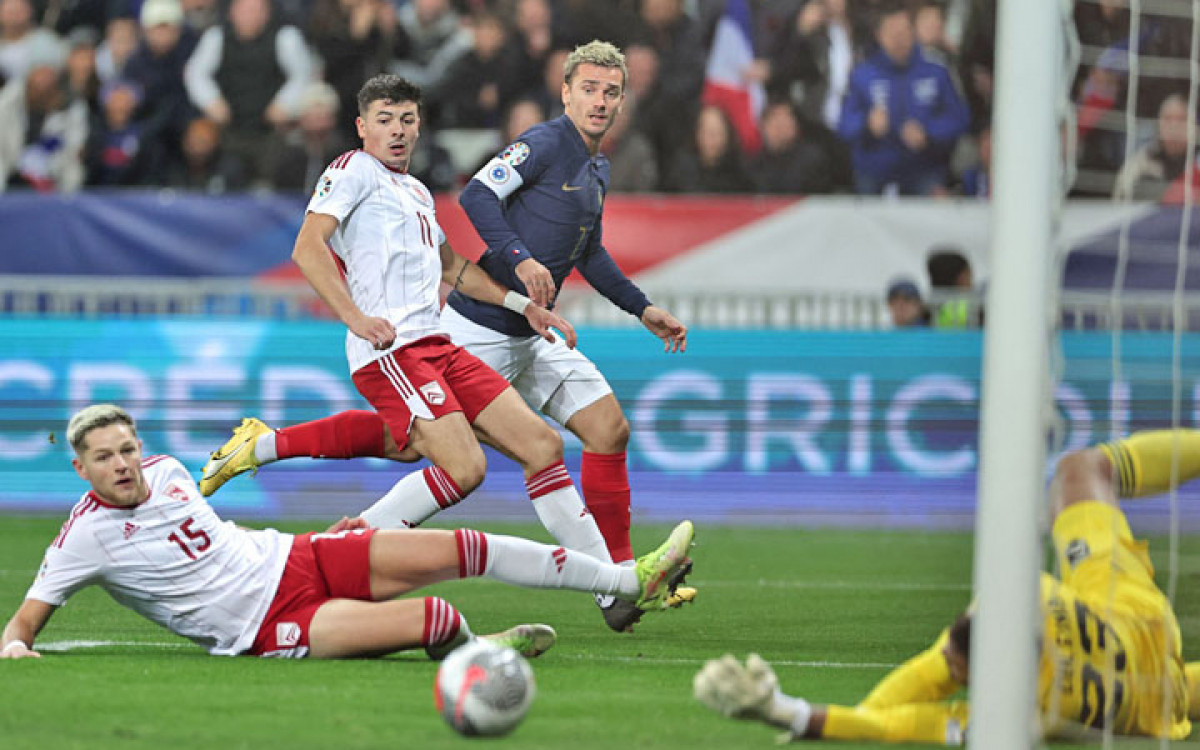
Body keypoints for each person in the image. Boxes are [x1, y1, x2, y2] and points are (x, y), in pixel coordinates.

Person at [200, 73, 693, 631]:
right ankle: (343, 551)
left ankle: (613, 591)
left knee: (541, 444)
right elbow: (306, 248)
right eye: (384, 120)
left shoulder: (414, 192)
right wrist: (357, 319)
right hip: (393, 353)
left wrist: (523, 305)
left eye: (407, 120)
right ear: (362, 127)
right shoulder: (351, 171)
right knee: (464, 467)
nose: (398, 132)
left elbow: (454, 269)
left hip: (436, 344)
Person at [0, 405, 695, 661]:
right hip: (265, 626)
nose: (121, 464)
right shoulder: (82, 540)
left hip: (298, 555)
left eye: (125, 447)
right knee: (437, 619)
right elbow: (23, 623)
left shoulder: (171, 470)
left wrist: (336, 538)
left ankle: (627, 579)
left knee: (467, 548)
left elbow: (213, 539)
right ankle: (477, 651)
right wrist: (15, 649)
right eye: (103, 456)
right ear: (80, 467)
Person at [694, 428, 1200, 742]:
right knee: (1084, 468)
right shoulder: (1017, 596)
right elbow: (932, 674)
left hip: (1156, 694)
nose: (950, 673)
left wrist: (790, 713)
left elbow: (896, 725)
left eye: (958, 671)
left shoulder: (1026, 716)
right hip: (1128, 605)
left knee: (1077, 471)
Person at [446, 40, 690, 631]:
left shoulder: (597, 165)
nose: (600, 101)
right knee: (436, 463)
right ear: (566, 92)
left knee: (609, 428)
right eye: (589, 89)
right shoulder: (547, 142)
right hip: (478, 334)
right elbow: (476, 194)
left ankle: (626, 581)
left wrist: (642, 308)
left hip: (535, 334)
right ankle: (342, 534)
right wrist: (521, 258)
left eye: (611, 92)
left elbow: (590, 251)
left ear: (622, 100)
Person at [836, 2, 969, 196]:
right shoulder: (862, 74)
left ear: (913, 32)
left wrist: (928, 133)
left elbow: (959, 118)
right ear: (879, 36)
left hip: (924, 167)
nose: (899, 40)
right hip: (874, 169)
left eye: (904, 32)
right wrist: (868, 125)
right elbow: (844, 123)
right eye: (892, 33)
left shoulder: (936, 71)